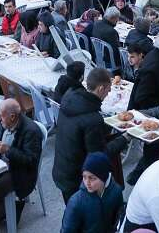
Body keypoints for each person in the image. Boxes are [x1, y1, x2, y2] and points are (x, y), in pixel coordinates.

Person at [53, 68, 129, 203]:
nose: (109, 92)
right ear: (101, 88)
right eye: (108, 89)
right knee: (86, 217)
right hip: (78, 179)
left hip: (62, 170)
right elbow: (99, 155)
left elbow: (80, 131)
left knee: (72, 212)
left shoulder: (70, 96)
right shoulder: (92, 119)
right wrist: (124, 138)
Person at [126, 30, 159, 184]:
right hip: (155, 114)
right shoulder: (154, 66)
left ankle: (139, 175)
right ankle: (142, 178)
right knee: (155, 147)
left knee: (158, 145)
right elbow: (142, 97)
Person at [0, 99, 42, 225]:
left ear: (12, 116)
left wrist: (7, 150)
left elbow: (30, 160)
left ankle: (12, 210)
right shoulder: (6, 123)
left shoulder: (32, 131)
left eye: (1, 116)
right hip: (2, 165)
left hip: (20, 173)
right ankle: (1, 209)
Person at [61, 152, 124, 233]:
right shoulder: (76, 202)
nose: (87, 182)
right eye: (84, 177)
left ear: (104, 177)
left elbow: (118, 217)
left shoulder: (116, 191)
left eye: (92, 178)